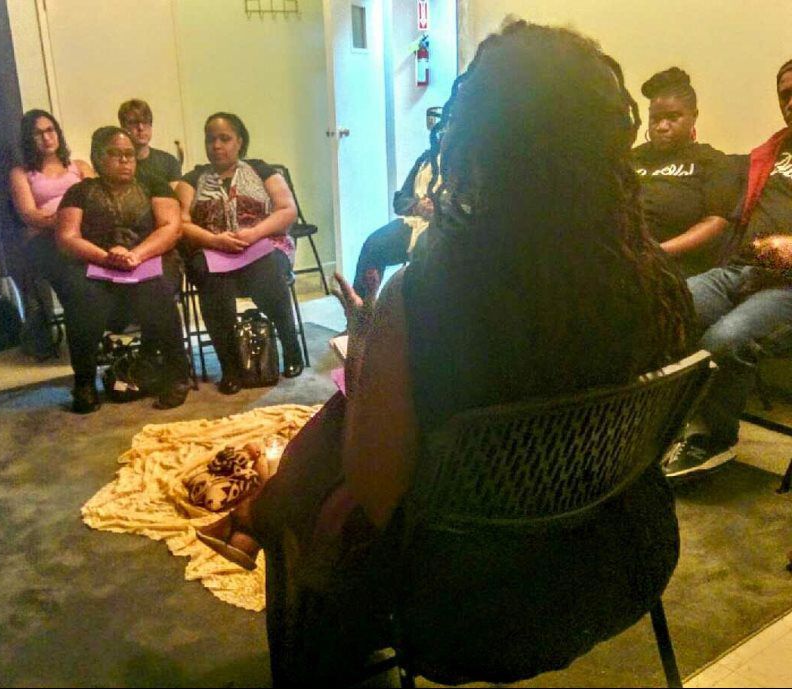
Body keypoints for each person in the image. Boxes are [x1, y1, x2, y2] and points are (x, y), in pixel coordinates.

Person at [196, 21, 696, 683]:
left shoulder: (426, 289)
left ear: (475, 139)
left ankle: (275, 548)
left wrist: (370, 351)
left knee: (327, 498)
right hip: (618, 556)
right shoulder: (652, 280)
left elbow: (376, 494)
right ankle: (262, 513)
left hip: (468, 604)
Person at [663, 58, 792, 478]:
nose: (791, 102)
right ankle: (654, 424)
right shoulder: (770, 153)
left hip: (786, 287)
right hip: (741, 269)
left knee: (725, 339)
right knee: (665, 305)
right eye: (785, 95)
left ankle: (712, 440)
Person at [56, 126, 190, 413]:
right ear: (97, 156)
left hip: (149, 258)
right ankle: (84, 383)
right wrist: (106, 257)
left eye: (129, 154)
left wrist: (136, 254)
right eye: (115, 154)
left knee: (156, 288)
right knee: (80, 294)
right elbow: (67, 238)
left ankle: (178, 375)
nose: (125, 160)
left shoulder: (154, 183)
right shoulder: (80, 191)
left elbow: (171, 228)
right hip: (97, 264)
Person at [176, 112, 303, 392]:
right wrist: (213, 239)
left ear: (240, 141)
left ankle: (291, 349)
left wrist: (254, 234)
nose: (217, 146)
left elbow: (287, 211)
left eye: (225, 138)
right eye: (211, 140)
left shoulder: (262, 170)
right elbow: (181, 223)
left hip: (262, 245)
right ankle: (230, 367)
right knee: (210, 279)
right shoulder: (192, 179)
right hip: (213, 249)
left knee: (266, 269)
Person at [632, 68, 741, 277]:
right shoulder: (630, 158)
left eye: (673, 117)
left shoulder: (712, 161)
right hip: (616, 255)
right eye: (655, 119)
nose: (662, 127)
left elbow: (715, 222)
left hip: (673, 266)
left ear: (694, 116)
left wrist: (656, 253)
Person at [9, 110, 94, 359]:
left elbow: (98, 200)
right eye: (39, 133)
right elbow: (28, 214)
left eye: (51, 130)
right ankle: (83, 348)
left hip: (85, 234)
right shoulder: (21, 173)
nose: (47, 137)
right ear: (29, 139)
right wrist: (62, 221)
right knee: (74, 281)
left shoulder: (78, 167)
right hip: (45, 239)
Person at [352, 133, 439, 298]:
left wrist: (440, 208)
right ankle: (362, 314)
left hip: (444, 224)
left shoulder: (468, 161)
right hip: (413, 220)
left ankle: (416, 317)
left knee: (424, 251)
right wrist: (417, 206)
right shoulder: (426, 158)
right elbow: (400, 201)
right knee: (374, 245)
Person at [118, 99, 182, 188]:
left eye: (145, 122)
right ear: (123, 127)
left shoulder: (169, 162)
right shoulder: (119, 163)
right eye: (134, 122)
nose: (140, 127)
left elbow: (175, 199)